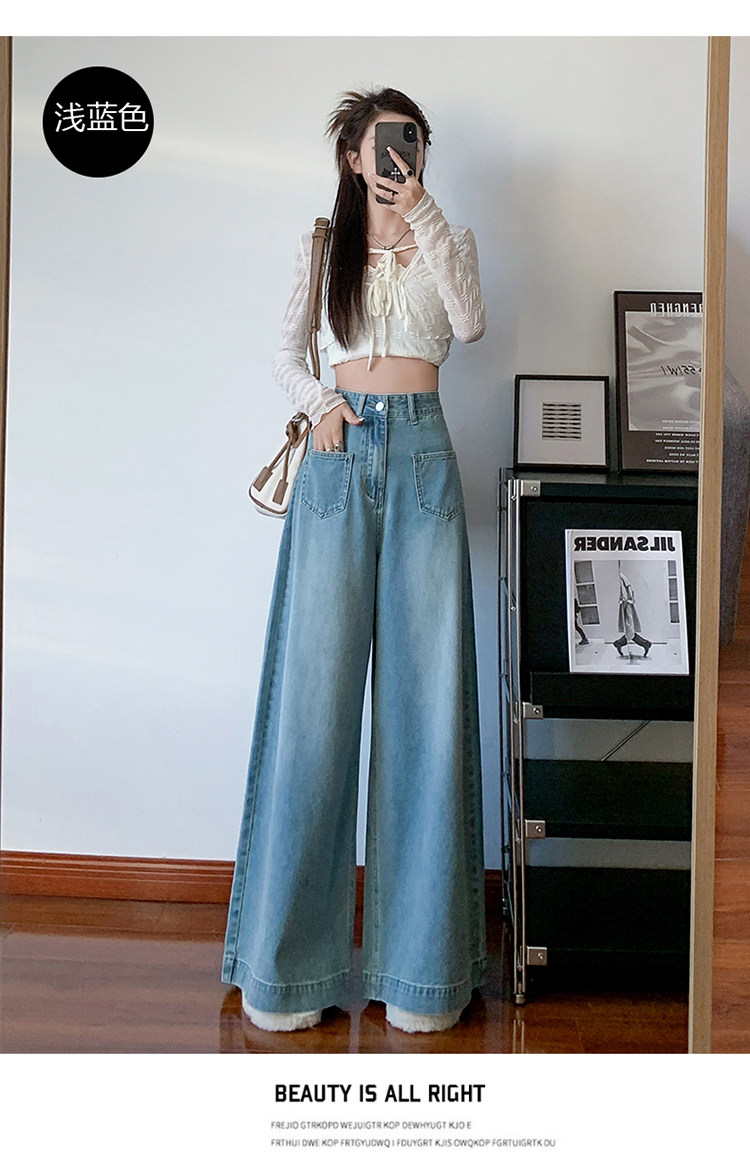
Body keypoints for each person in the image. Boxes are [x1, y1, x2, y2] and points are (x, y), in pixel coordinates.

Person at [221, 87, 488, 1035]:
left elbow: (470, 325)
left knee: (425, 710)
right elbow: (285, 356)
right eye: (382, 146)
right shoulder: (320, 247)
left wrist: (423, 212)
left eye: (411, 145)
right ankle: (286, 971)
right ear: (351, 155)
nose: (397, 159)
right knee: (314, 706)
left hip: (422, 460)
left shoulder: (445, 237)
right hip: (338, 459)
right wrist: (322, 406)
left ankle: (421, 973)